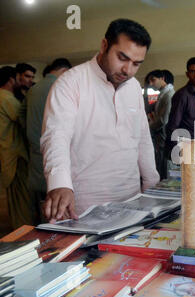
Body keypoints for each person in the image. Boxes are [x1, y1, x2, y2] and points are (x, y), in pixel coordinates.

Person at [41, 18, 160, 223]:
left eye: (136, 64)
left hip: (131, 199)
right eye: (122, 58)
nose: (128, 70)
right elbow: (56, 136)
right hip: (84, 204)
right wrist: (59, 184)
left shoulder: (132, 87)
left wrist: (152, 182)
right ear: (104, 46)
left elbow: (141, 138)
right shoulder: (71, 83)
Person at [26, 58, 72, 223]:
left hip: (34, 156)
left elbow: (20, 117)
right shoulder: (62, 87)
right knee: (58, 210)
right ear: (64, 72)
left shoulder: (32, 90)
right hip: (56, 159)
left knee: (40, 205)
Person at [0, 66, 33, 229]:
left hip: (7, 155)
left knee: (15, 201)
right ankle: (25, 235)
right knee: (22, 202)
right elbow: (23, 120)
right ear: (11, 80)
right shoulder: (6, 98)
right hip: (16, 156)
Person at [165, 57, 195, 162]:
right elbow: (173, 124)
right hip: (183, 146)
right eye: (192, 72)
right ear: (187, 74)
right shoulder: (182, 95)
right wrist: (176, 150)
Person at [146, 69, 175, 179]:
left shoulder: (169, 95)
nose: (151, 84)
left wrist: (148, 128)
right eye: (149, 81)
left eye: (153, 80)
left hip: (164, 136)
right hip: (159, 136)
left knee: (164, 168)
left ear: (162, 78)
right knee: (160, 166)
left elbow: (164, 120)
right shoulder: (163, 94)